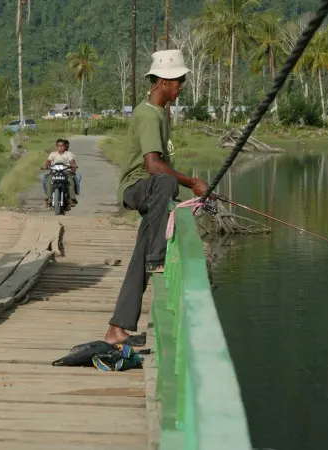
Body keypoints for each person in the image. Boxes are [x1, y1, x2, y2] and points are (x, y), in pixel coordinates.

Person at [104, 49, 210, 346]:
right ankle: (157, 256)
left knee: (140, 253)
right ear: (163, 81)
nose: (181, 87)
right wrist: (191, 182)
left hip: (153, 191)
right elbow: (152, 166)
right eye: (179, 81)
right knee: (166, 181)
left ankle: (117, 327)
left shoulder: (161, 113)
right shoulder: (148, 115)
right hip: (138, 187)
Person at [40, 139, 80, 206]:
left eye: (62, 146)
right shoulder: (53, 154)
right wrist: (46, 165)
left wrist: (73, 165)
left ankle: (72, 198)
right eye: (59, 146)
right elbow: (48, 161)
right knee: (49, 179)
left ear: (64, 146)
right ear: (56, 147)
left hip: (66, 172)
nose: (60, 147)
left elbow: (72, 161)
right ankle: (49, 197)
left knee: (70, 180)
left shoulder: (68, 154)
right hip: (54, 172)